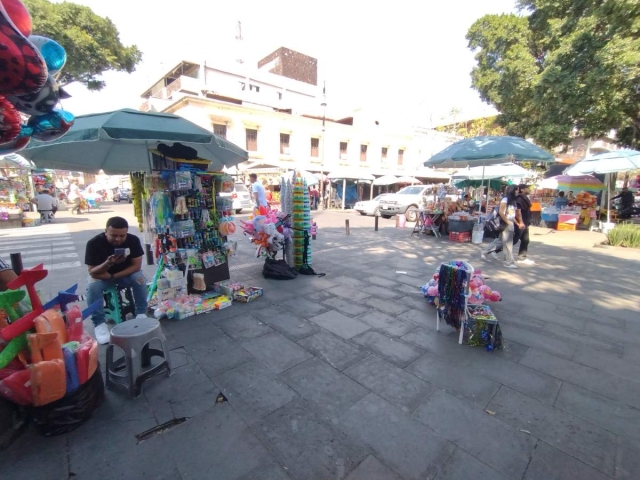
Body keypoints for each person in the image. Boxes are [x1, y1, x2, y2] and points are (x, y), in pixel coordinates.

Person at [85, 217, 148, 344]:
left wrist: (114, 276)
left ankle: (141, 312)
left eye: (122, 236)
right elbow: (92, 272)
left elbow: (136, 266)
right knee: (92, 286)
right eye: (113, 235)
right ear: (106, 231)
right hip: (103, 276)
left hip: (124, 275)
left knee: (139, 278)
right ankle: (99, 323)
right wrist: (108, 263)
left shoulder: (133, 240)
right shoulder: (93, 243)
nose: (118, 239)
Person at [481, 185, 521, 269]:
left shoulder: (513, 201)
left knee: (500, 241)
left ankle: (485, 251)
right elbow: (501, 212)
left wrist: (517, 223)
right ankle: (508, 262)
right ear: (512, 191)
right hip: (506, 224)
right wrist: (508, 222)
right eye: (517, 190)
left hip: (509, 223)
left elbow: (512, 215)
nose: (518, 192)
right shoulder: (505, 200)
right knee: (508, 243)